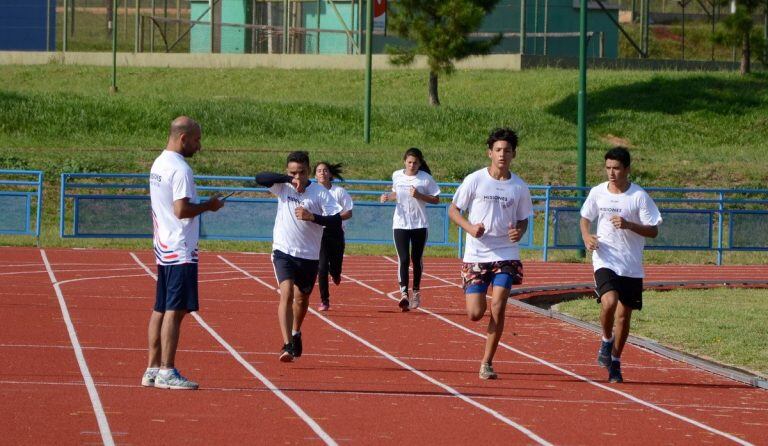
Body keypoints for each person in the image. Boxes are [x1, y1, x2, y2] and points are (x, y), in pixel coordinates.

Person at [143, 116, 224, 390]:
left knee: (160, 308)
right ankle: (166, 370)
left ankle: (153, 368)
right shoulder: (181, 169)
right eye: (197, 140)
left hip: (164, 246)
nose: (199, 146)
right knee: (174, 311)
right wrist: (209, 206)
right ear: (183, 138)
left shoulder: (159, 163)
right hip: (180, 248)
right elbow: (181, 210)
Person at [448, 128, 532, 380]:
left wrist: (519, 232)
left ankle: (487, 362)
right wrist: (470, 228)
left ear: (514, 154)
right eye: (498, 150)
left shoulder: (519, 186)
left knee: (499, 305)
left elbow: (524, 219)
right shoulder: (475, 179)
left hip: (506, 254)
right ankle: (479, 295)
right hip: (476, 255)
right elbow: (453, 210)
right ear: (489, 153)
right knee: (475, 313)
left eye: (507, 150)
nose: (502, 154)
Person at [580, 147, 661, 383]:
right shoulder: (598, 192)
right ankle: (606, 340)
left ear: (627, 169)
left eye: (616, 168)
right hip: (605, 258)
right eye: (608, 168)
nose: (611, 173)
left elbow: (654, 230)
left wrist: (629, 225)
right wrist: (587, 236)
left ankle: (615, 361)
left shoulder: (638, 196)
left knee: (624, 316)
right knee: (609, 301)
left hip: (631, 264)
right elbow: (585, 218)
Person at [255, 151, 342, 362]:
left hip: (309, 255)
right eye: (293, 172)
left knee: (302, 299)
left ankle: (296, 332)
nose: (298, 176)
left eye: (301, 172)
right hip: (283, 250)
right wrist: (288, 179)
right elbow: (260, 178)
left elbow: (336, 220)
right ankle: (287, 345)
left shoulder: (320, 193)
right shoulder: (283, 187)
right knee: (286, 294)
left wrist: (313, 217)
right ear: (287, 172)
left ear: (309, 171)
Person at [380, 148, 441, 311]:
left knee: (416, 258)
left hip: (419, 224)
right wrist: (387, 196)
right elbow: (396, 194)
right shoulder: (397, 175)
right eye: (409, 162)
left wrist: (420, 195)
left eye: (415, 162)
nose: (412, 165)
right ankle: (404, 294)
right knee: (404, 258)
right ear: (404, 162)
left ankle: (416, 291)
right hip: (400, 223)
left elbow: (436, 199)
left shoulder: (426, 179)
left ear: (420, 163)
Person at [314, 162, 354, 311]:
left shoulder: (339, 192)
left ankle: (336, 274)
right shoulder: (312, 192)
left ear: (330, 174)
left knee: (335, 266)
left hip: (336, 232)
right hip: (320, 233)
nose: (322, 173)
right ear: (315, 175)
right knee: (322, 267)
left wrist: (335, 219)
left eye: (325, 170)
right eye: (319, 171)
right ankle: (324, 300)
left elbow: (349, 212)